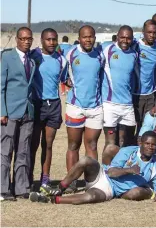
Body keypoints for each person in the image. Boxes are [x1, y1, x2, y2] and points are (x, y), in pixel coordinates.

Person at [29, 131, 156, 204]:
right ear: (140, 143)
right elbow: (111, 172)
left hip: (110, 190)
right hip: (103, 175)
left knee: (90, 197)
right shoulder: (128, 151)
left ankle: (53, 200)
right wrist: (129, 170)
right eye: (147, 144)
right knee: (86, 160)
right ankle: (59, 189)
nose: (150, 147)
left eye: (153, 145)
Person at [64, 25, 105, 193]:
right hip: (75, 106)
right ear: (79, 38)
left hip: (95, 108)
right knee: (74, 145)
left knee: (92, 145)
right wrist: (67, 81)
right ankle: (71, 183)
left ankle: (92, 182)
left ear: (95, 38)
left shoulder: (101, 56)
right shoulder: (70, 54)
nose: (88, 39)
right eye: (85, 37)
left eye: (91, 36)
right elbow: (62, 74)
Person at [29, 28, 68, 193]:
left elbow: (65, 80)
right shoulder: (33, 56)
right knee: (33, 144)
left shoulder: (62, 59)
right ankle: (28, 179)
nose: (51, 43)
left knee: (48, 144)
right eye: (48, 39)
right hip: (37, 104)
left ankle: (45, 179)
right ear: (41, 40)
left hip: (54, 105)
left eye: (54, 39)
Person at [1, 27, 36, 200]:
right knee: (5, 151)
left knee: (23, 152)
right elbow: (0, 86)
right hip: (9, 113)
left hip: (27, 112)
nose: (26, 41)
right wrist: (2, 111)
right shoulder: (7, 57)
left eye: (29, 39)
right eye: (23, 39)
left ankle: (21, 188)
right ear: (16, 39)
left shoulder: (32, 60)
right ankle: (3, 188)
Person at [102, 25, 138, 150]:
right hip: (110, 104)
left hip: (127, 105)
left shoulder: (134, 54)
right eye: (122, 37)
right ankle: (106, 169)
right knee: (110, 143)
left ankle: (122, 168)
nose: (125, 40)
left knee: (124, 142)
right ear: (117, 37)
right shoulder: (107, 50)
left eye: (128, 38)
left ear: (132, 39)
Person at [132, 19, 156, 135]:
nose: (152, 35)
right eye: (149, 32)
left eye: (154, 33)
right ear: (143, 32)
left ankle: (140, 150)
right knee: (131, 126)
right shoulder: (135, 46)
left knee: (145, 126)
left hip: (150, 94)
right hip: (135, 94)